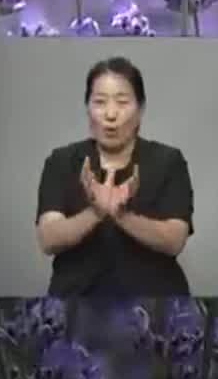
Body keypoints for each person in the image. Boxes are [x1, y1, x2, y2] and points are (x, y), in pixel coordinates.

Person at [34, 56, 195, 297]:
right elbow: (49, 239)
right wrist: (96, 212)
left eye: (122, 102)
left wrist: (121, 215)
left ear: (140, 110)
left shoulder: (168, 161)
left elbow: (174, 240)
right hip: (76, 302)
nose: (110, 114)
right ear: (87, 108)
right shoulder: (62, 161)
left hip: (156, 304)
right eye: (99, 102)